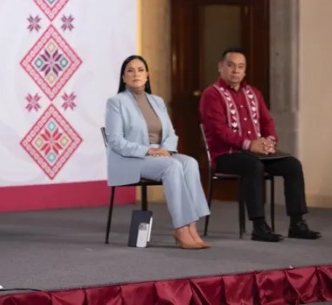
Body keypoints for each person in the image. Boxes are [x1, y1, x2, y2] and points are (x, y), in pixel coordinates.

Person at [199, 48, 321, 242]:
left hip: (257, 153)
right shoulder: (211, 94)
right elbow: (219, 130)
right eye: (230, 65)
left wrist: (269, 141)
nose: (235, 71)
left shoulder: (253, 93)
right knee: (253, 166)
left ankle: (297, 224)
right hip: (226, 156)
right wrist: (249, 144)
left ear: (245, 71)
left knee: (292, 165)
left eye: (240, 67)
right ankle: (259, 226)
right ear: (220, 67)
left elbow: (267, 121)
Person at [105, 55, 211, 249]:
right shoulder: (116, 102)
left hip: (158, 154)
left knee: (190, 163)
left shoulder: (157, 101)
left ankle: (192, 225)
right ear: (123, 77)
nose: (136, 74)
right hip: (131, 158)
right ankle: (181, 227)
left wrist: (165, 150)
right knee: (172, 166)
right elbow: (115, 141)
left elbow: (171, 133)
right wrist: (149, 151)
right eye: (130, 70)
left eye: (140, 70)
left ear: (147, 76)